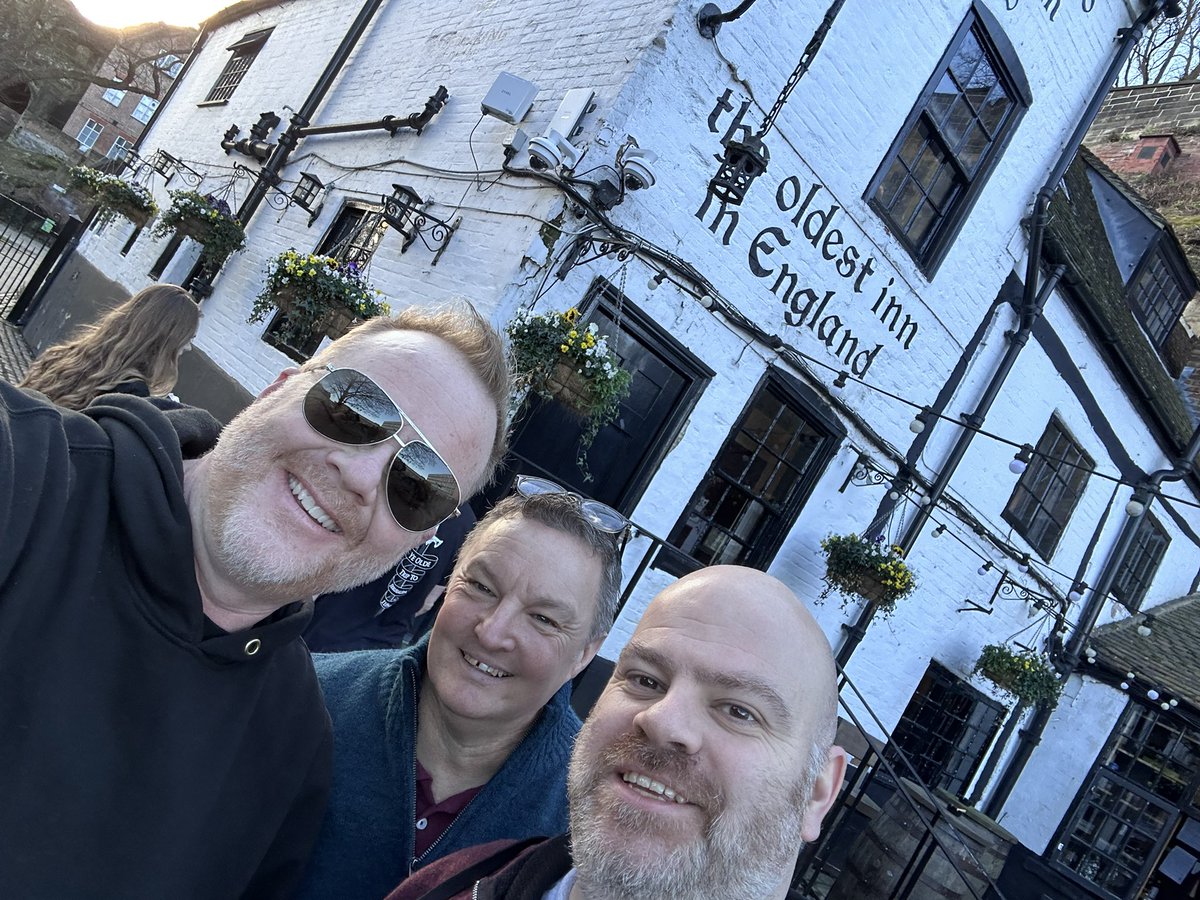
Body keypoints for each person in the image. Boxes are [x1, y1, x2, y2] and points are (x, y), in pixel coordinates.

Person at [0, 301, 509, 898]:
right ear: (281, 386)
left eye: (418, 486)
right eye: (353, 408)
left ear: (418, 541)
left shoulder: (292, 756)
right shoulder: (24, 473)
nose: (362, 477)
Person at [385, 565, 848, 900]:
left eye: (739, 711)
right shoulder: (451, 884)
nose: (663, 720)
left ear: (818, 792)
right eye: (646, 680)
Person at [297, 478, 628, 900]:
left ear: (585, 654)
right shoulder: (302, 699)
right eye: (481, 588)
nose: (492, 633)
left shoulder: (593, 819)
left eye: (544, 619)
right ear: (449, 581)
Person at [303, 501, 477, 651]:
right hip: (384, 644)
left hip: (325, 629)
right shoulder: (467, 526)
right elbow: (427, 603)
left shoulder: (396, 492)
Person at [19, 283, 200, 408]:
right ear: (167, 341)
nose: (188, 348)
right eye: (188, 339)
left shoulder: (64, 354)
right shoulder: (131, 391)